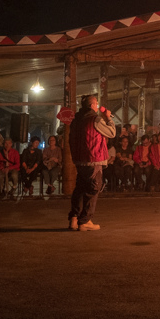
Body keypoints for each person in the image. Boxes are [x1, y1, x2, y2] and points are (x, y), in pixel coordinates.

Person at [68, 94, 116, 231]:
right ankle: (85, 221)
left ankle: (74, 218)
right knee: (93, 188)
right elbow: (111, 133)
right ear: (91, 106)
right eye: (96, 103)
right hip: (93, 159)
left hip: (80, 160)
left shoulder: (76, 121)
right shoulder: (95, 119)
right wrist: (108, 118)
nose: (97, 106)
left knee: (80, 188)